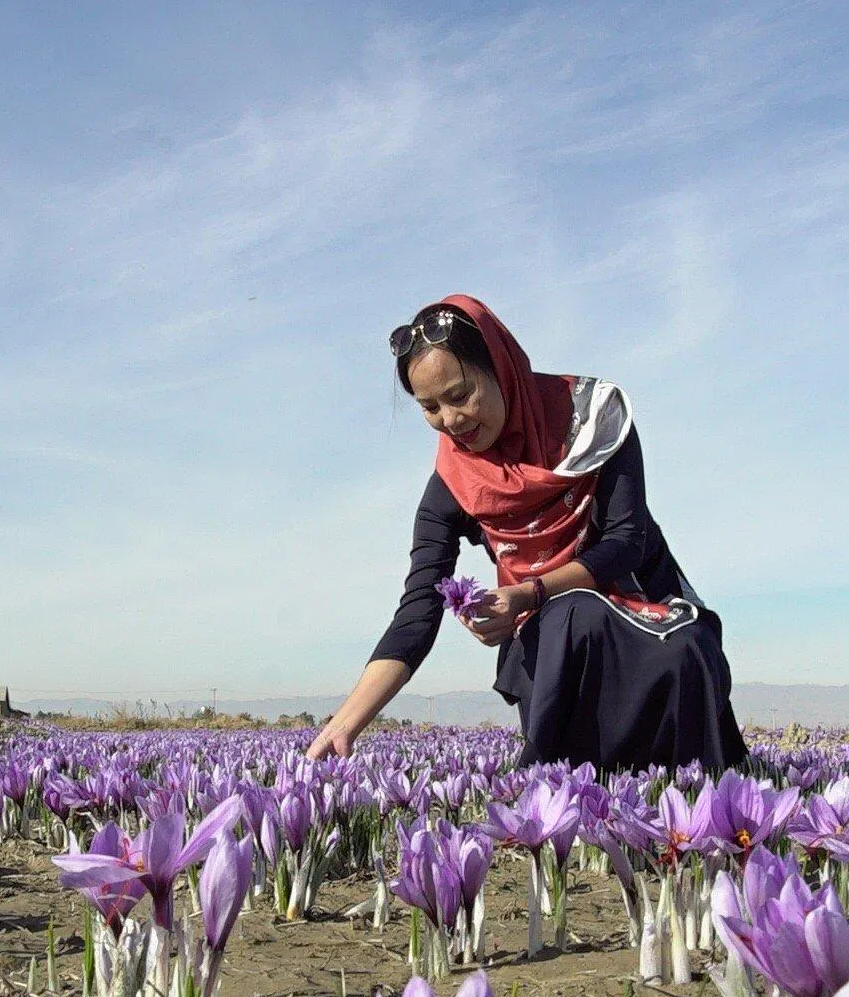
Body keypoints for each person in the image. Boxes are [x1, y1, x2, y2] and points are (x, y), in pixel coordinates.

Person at [307, 296, 745, 772]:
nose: (450, 421)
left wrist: (530, 592)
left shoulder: (592, 420)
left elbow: (625, 542)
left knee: (672, 645)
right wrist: (345, 724)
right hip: (558, 641)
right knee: (571, 620)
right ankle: (572, 803)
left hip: (645, 603)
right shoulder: (454, 484)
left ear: (500, 366)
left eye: (460, 395)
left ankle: (690, 805)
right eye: (429, 407)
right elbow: (418, 609)